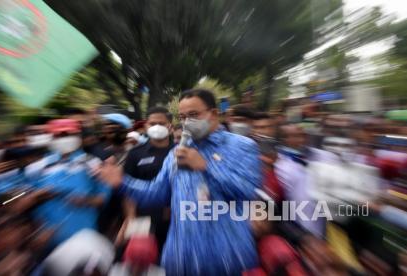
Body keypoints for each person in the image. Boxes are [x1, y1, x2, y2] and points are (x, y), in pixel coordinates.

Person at [98, 89, 262, 275]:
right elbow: (156, 194)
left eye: (193, 115)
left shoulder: (242, 146)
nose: (187, 122)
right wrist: (122, 182)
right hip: (181, 258)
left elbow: (247, 190)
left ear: (214, 113)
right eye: (182, 117)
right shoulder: (177, 152)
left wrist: (206, 166)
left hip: (227, 257)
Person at [26, 118, 111, 247]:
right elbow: (27, 200)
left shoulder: (93, 164)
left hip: (85, 235)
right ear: (51, 137)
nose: (64, 138)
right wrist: (38, 195)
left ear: (78, 136)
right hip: (49, 239)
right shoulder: (36, 168)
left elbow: (103, 197)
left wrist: (86, 201)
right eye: (59, 135)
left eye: (68, 134)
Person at [122, 106, 174, 253]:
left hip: (175, 218)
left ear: (170, 127)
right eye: (152, 123)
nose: (156, 127)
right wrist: (130, 218)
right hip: (143, 217)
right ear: (146, 126)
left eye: (161, 123)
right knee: (144, 258)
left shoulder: (179, 152)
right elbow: (128, 188)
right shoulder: (135, 154)